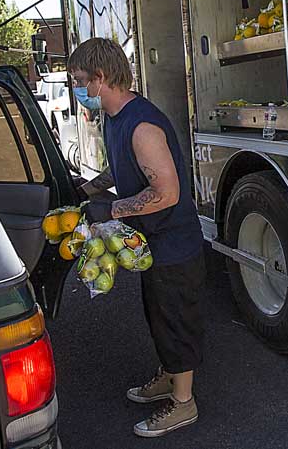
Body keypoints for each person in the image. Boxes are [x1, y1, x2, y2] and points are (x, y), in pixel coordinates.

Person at [69, 37, 204, 438]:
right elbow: (121, 169)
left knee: (175, 320)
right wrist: (87, 190)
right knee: (158, 315)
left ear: (100, 77)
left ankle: (184, 404)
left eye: (79, 81)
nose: (78, 90)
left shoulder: (142, 125)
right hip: (151, 243)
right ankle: (169, 376)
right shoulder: (114, 120)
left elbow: (166, 192)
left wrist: (109, 209)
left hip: (174, 244)